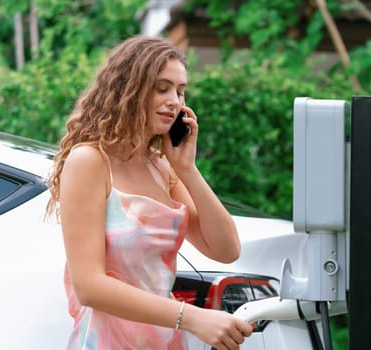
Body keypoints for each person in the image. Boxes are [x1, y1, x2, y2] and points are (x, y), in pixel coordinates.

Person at [45, 35, 253, 350]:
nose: (175, 101)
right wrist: (194, 317)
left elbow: (226, 249)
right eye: (162, 88)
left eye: (181, 91)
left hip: (164, 340)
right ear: (129, 88)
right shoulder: (90, 161)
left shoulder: (161, 167)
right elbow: (89, 285)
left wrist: (187, 170)